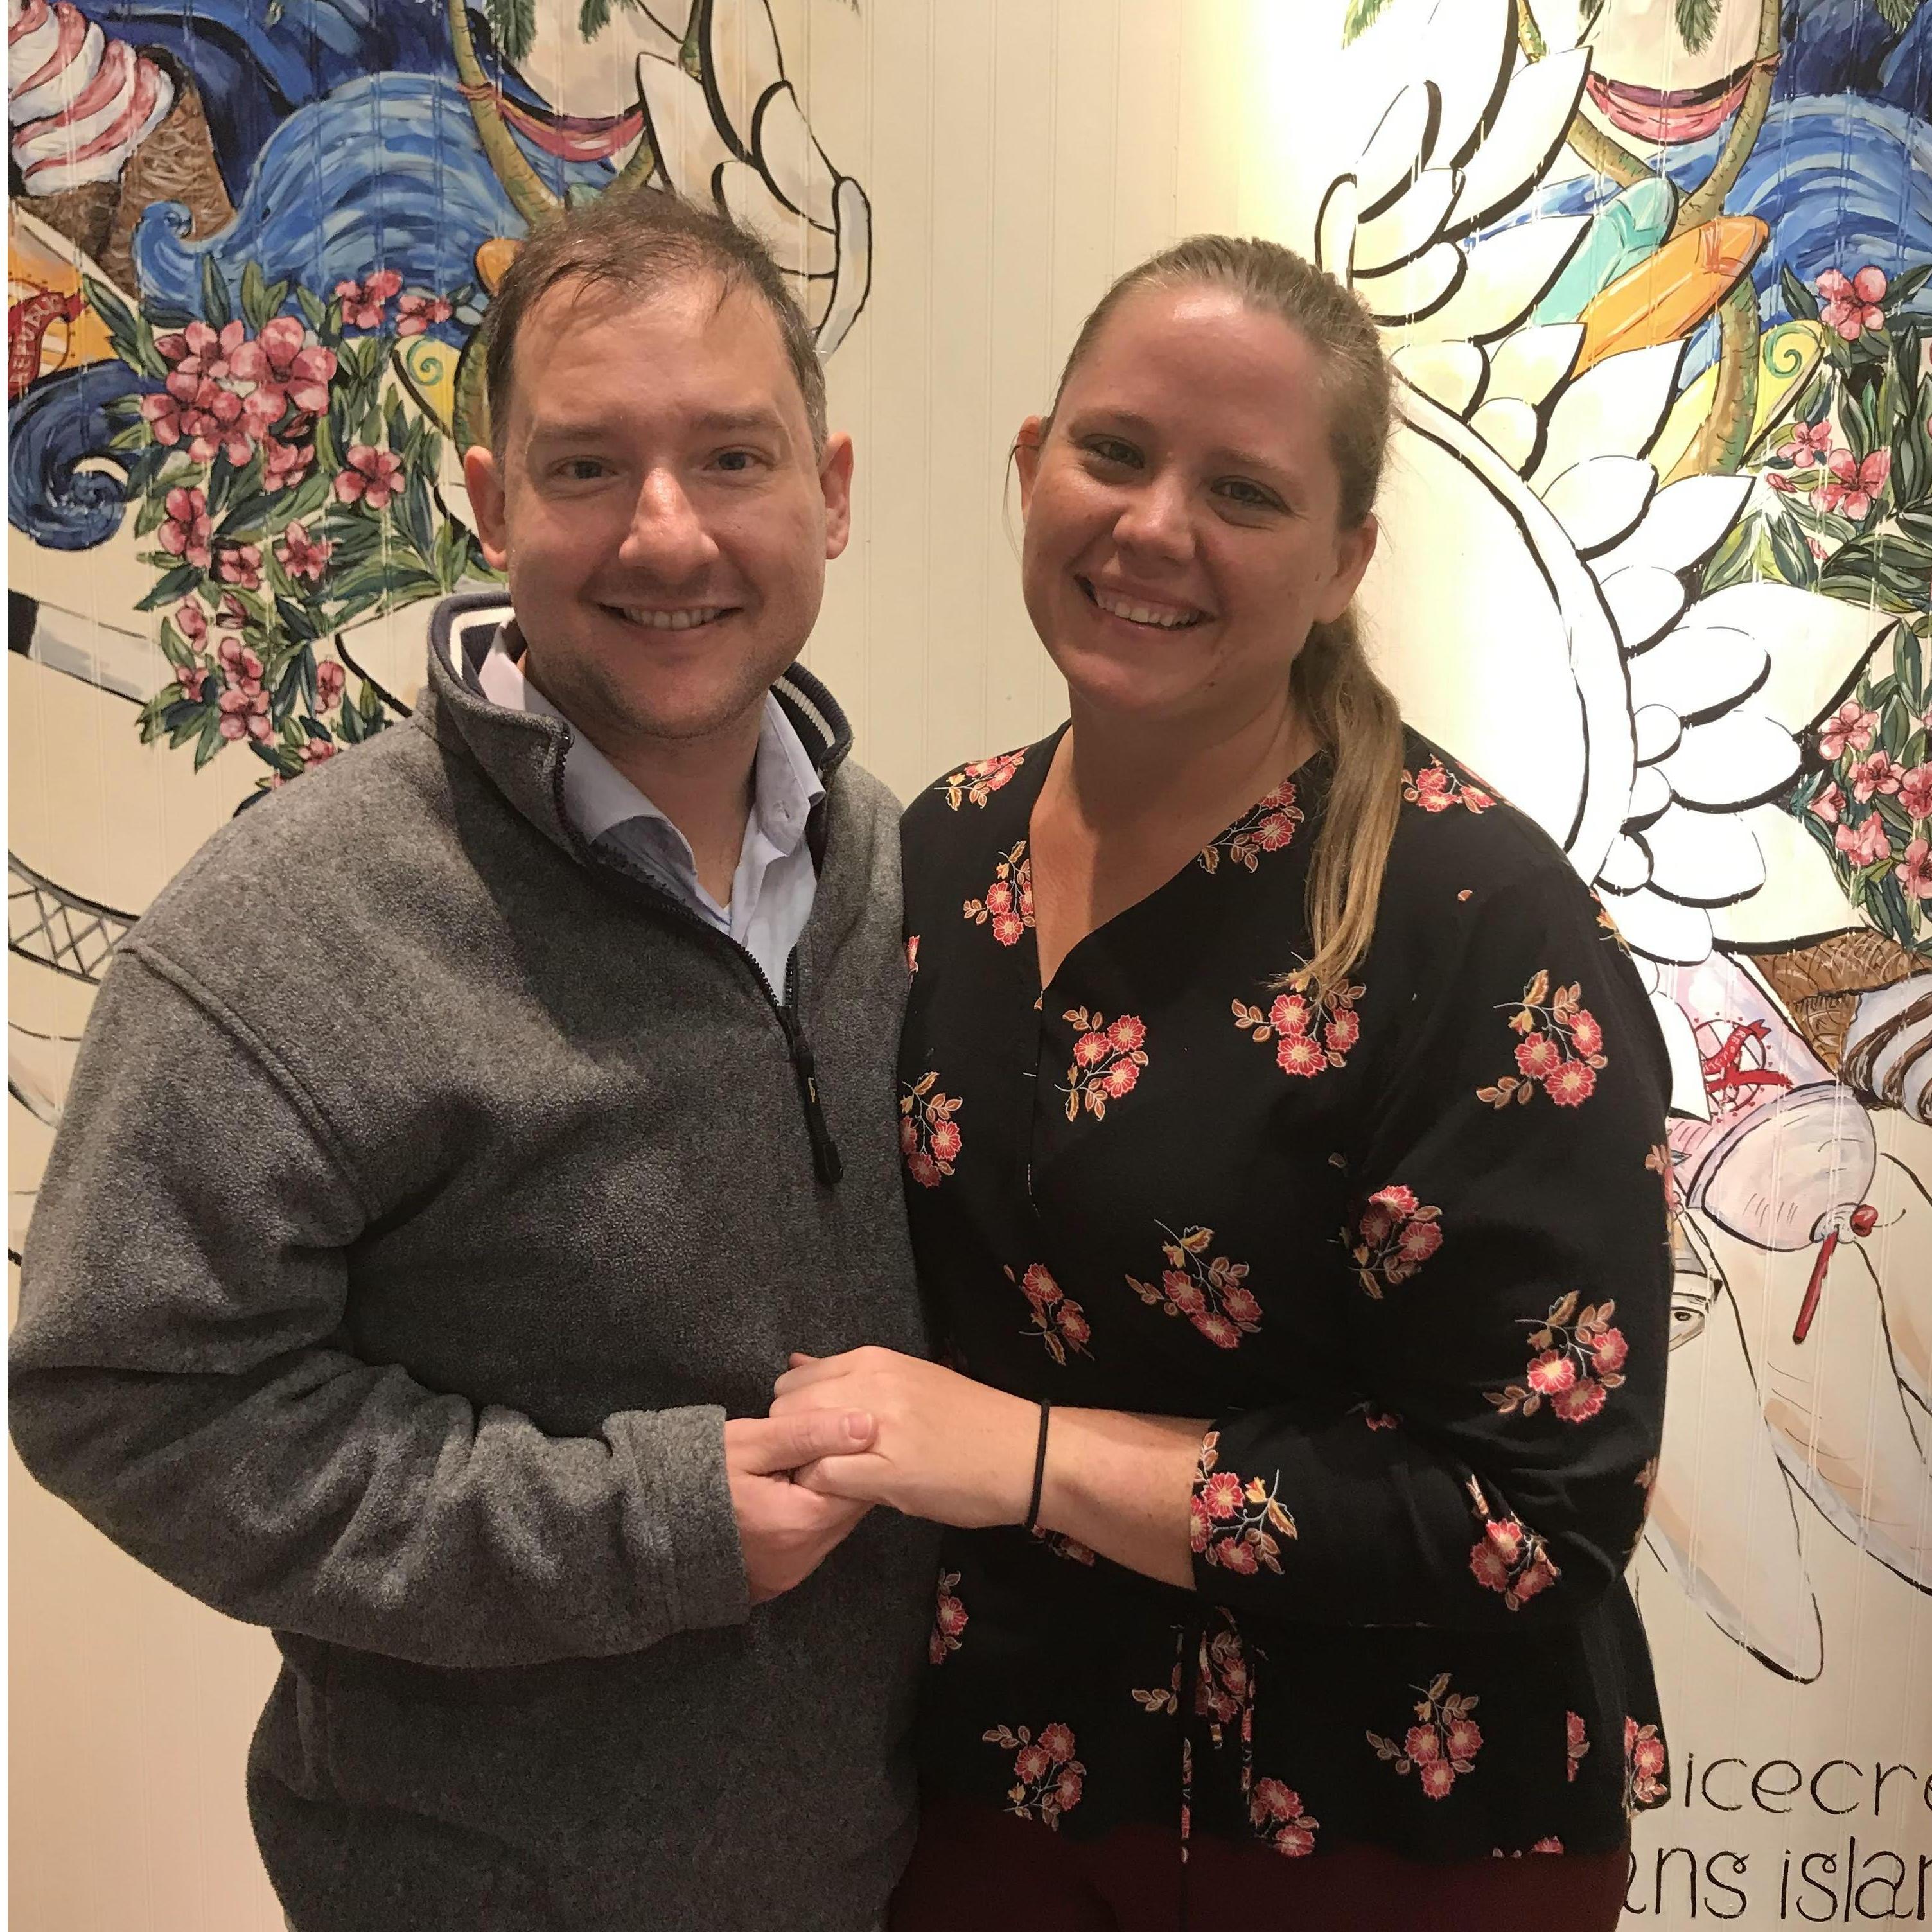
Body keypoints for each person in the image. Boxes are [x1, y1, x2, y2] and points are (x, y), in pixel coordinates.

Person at [10, 190, 934, 1932]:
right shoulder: (290, 924)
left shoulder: (904, 871)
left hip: (894, 1876)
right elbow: (121, 1391)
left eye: (733, 458)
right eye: (587, 468)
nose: (668, 532)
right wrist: (638, 1527)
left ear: (831, 491)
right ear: (492, 504)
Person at [770, 236, 1673, 1931]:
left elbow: (1533, 1513)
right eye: (1113, 453)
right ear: (1032, 464)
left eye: (1244, 492)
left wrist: (1034, 1458)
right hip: (1002, 1795)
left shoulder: (1478, 921)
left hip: (1394, 1839)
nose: (1155, 526)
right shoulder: (926, 853)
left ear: (1345, 559)